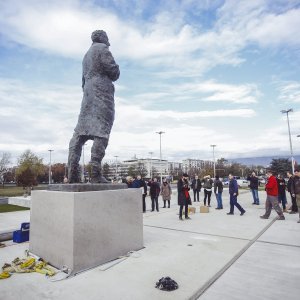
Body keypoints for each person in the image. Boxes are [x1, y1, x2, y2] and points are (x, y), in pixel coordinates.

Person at [67, 30, 120, 183]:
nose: (108, 41)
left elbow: (83, 81)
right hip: (101, 93)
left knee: (80, 133)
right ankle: (96, 174)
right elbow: (114, 72)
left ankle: (72, 174)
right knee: (102, 131)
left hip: (88, 95)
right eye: (107, 38)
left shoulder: (86, 56)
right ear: (103, 38)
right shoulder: (103, 49)